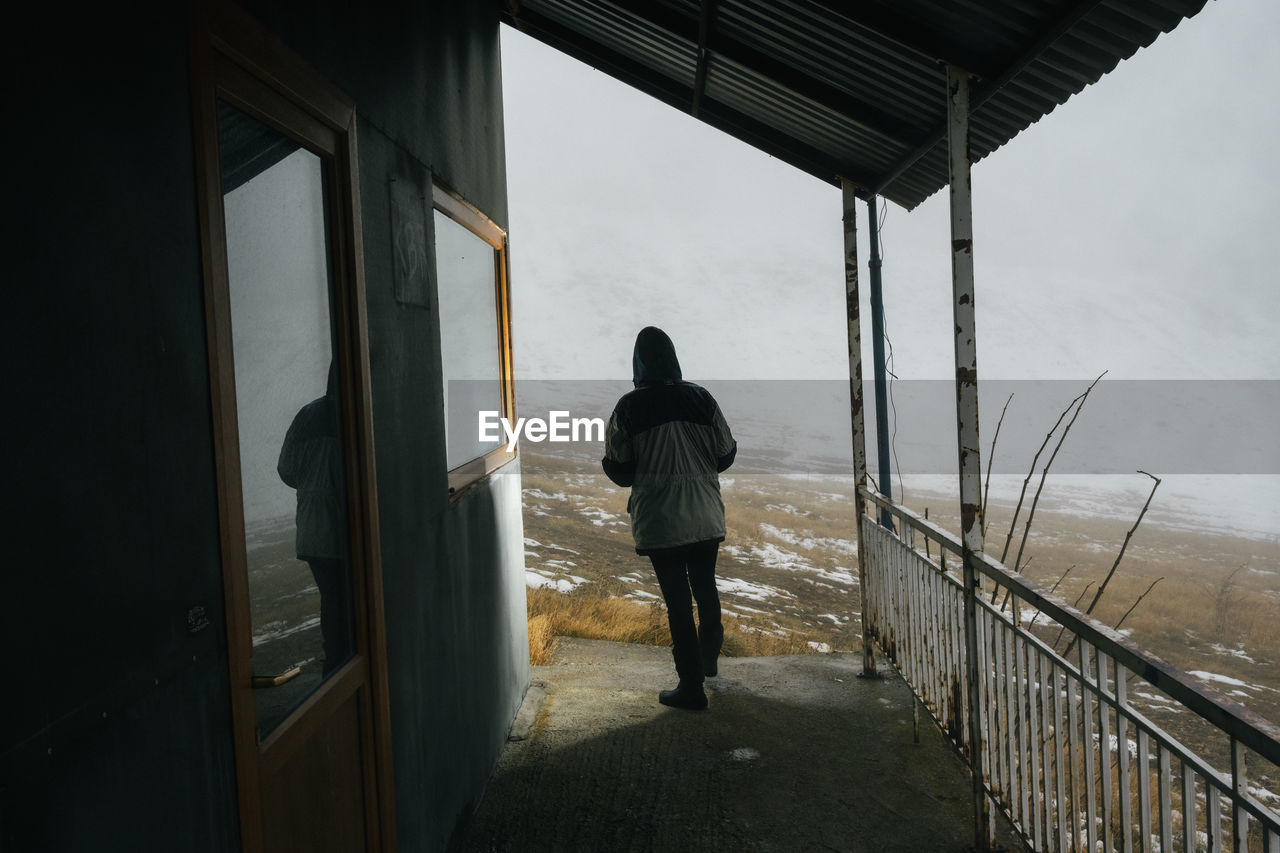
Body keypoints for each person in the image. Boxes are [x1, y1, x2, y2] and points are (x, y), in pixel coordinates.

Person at [602, 327, 737, 710]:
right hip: (704, 516)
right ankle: (709, 657)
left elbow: (621, 471)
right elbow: (725, 454)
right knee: (705, 587)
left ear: (638, 364)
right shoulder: (701, 398)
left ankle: (691, 687)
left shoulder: (628, 408)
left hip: (662, 525)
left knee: (678, 603)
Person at [277, 363, 353, 676]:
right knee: (347, 602)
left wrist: (312, 489)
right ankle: (342, 670)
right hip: (342, 529)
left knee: (332, 600)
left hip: (310, 529)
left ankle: (335, 667)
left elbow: (286, 469)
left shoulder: (306, 415)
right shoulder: (352, 415)